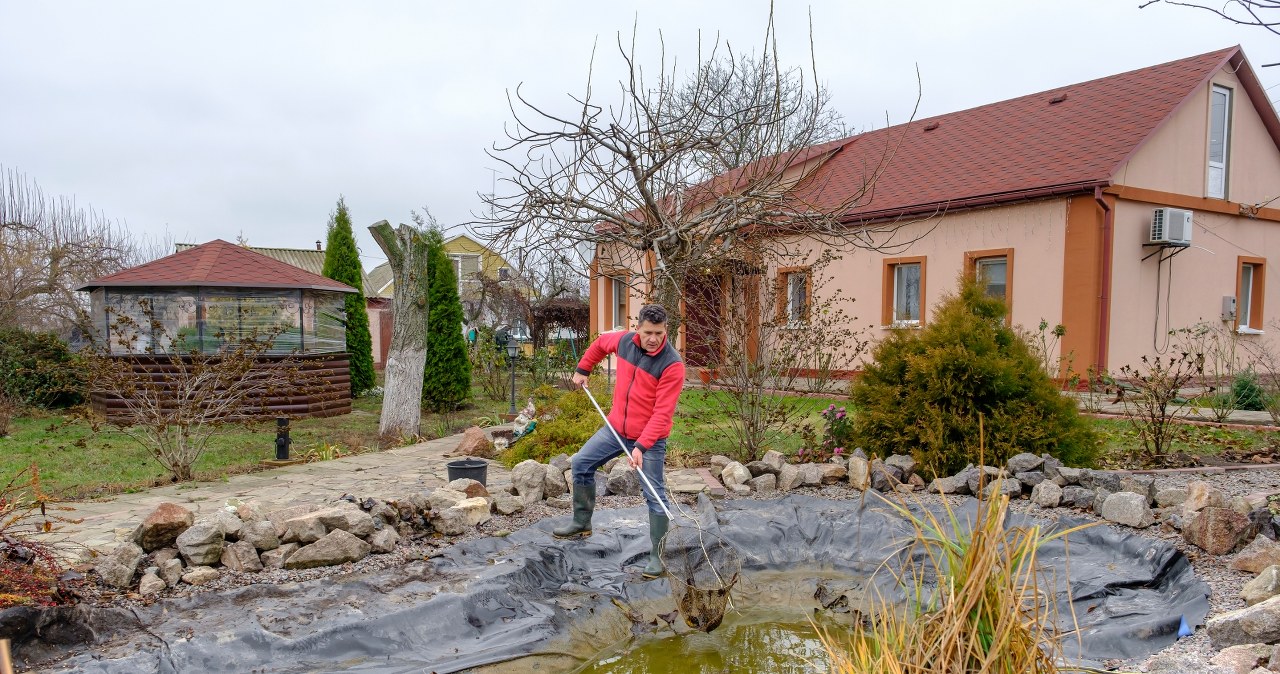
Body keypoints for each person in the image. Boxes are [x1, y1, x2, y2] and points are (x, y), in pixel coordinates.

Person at [552, 304, 685, 579]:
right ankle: (581, 523)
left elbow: (662, 415)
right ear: (638, 328)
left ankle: (657, 557)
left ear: (666, 330)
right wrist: (583, 368)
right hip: (615, 428)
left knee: (654, 493)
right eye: (648, 332)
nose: (653, 339)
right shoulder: (624, 341)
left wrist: (641, 446)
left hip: (650, 437)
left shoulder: (672, 365)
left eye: (659, 333)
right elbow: (600, 343)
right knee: (581, 464)